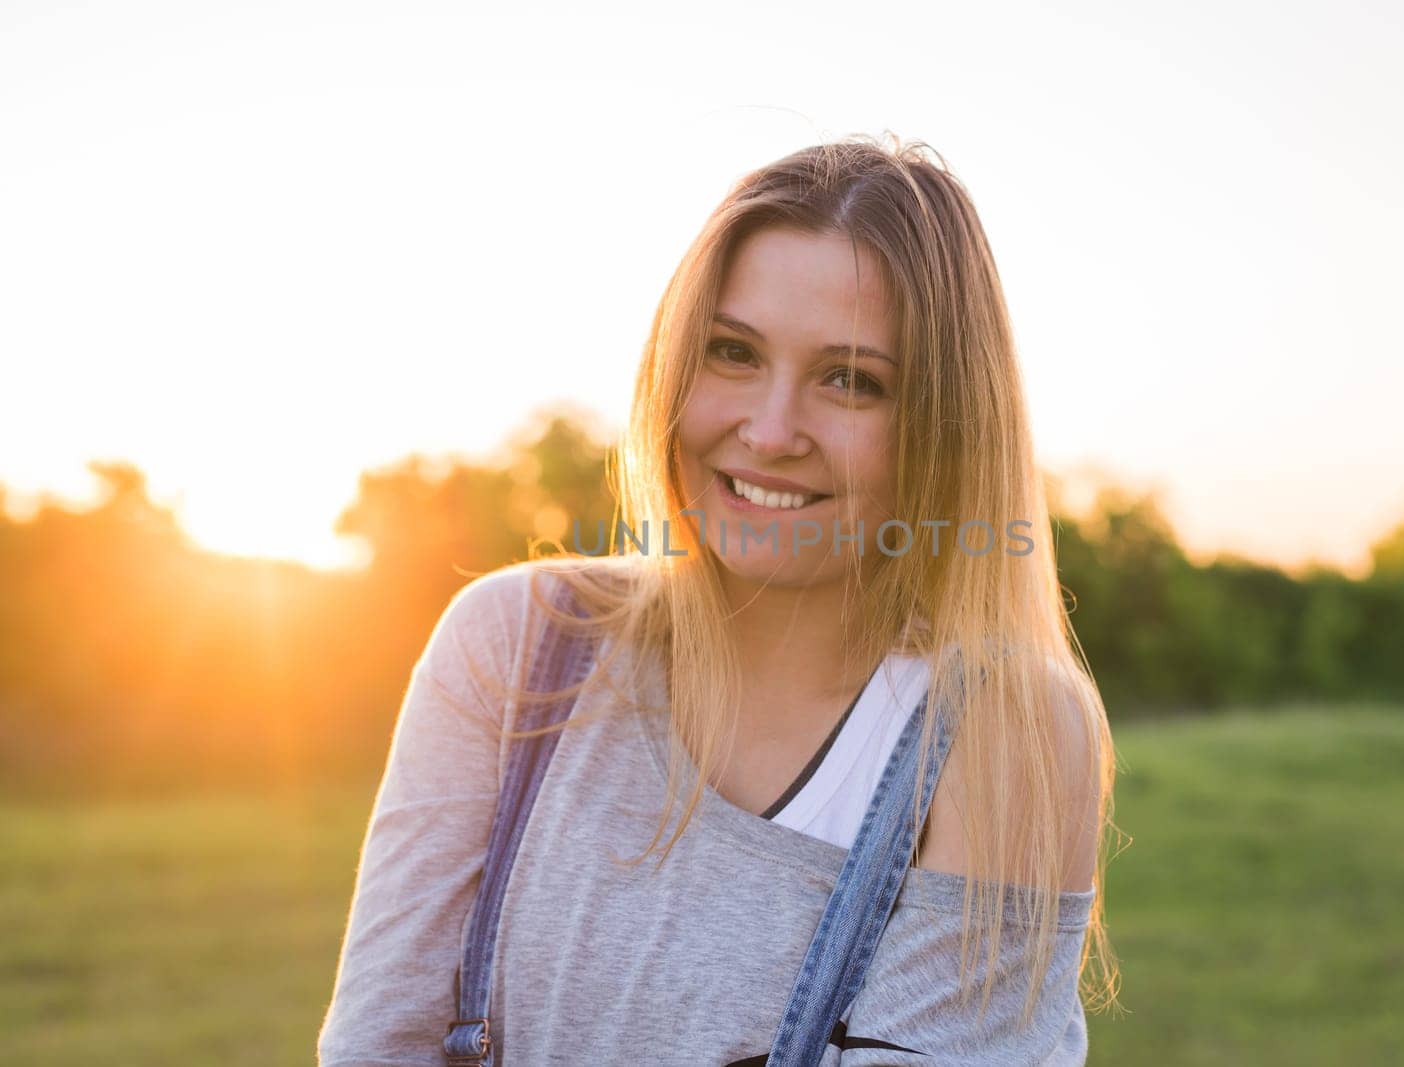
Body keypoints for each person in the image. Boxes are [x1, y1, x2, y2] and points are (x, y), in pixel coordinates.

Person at [318, 133, 1119, 1065]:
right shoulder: (516, 646)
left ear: (944, 427)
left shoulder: (998, 731)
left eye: (850, 380)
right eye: (732, 352)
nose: (771, 430)